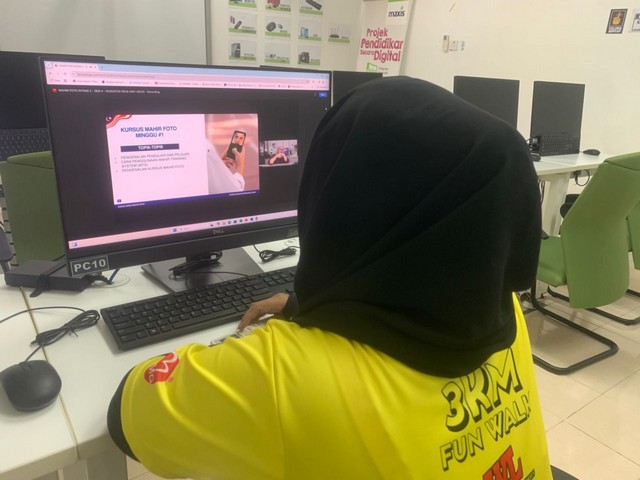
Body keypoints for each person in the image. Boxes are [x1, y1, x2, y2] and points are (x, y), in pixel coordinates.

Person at [108, 76, 552, 479]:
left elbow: (125, 421)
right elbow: (406, 303)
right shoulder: (501, 313)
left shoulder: (281, 378)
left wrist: (246, 355)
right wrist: (309, 307)